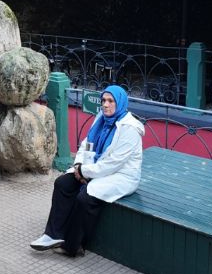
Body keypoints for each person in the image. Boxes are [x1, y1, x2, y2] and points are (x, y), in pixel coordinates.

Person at [29, 85, 144, 257]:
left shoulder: (130, 129)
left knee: (86, 197)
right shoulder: (101, 118)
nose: (105, 105)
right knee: (63, 183)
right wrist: (78, 165)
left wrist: (85, 172)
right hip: (93, 167)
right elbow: (86, 144)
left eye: (110, 101)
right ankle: (53, 234)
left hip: (121, 175)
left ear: (120, 103)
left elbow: (113, 163)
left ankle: (73, 246)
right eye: (103, 100)